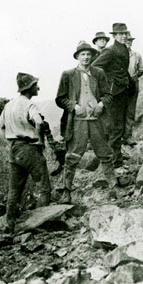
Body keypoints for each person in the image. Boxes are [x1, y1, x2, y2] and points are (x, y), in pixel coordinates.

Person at [55, 41, 115, 204]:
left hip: (97, 120)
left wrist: (101, 105)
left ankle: (114, 186)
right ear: (77, 57)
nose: (86, 57)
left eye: (89, 54)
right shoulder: (68, 75)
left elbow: (108, 95)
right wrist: (74, 106)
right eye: (83, 54)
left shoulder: (99, 72)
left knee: (104, 152)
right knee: (73, 155)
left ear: (92, 56)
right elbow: (60, 99)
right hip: (77, 122)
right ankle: (66, 191)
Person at [0, 72, 51, 234]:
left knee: (14, 190)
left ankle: (9, 225)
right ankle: (41, 224)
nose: (38, 88)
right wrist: (40, 141)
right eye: (36, 85)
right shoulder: (29, 105)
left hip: (14, 149)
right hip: (30, 148)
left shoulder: (9, 105)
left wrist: (9, 144)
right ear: (29, 88)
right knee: (43, 187)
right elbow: (39, 122)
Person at [92, 23, 133, 164]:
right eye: (120, 34)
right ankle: (113, 160)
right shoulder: (109, 51)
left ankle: (117, 155)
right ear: (114, 36)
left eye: (125, 34)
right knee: (115, 126)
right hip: (114, 93)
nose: (123, 36)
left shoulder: (124, 49)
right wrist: (109, 80)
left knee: (120, 125)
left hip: (123, 91)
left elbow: (123, 69)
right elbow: (94, 67)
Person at [123, 35, 143, 145]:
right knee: (119, 110)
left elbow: (141, 69)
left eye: (130, 41)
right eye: (126, 41)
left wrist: (134, 78)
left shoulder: (137, 55)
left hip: (133, 84)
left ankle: (128, 136)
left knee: (130, 110)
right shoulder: (117, 55)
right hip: (120, 85)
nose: (128, 42)